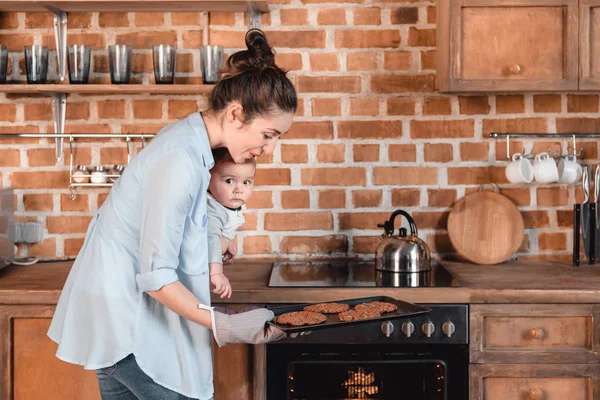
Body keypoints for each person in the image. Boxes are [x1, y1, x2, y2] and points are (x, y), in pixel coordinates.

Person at [47, 29, 297, 400]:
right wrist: (224, 325)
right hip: (126, 326)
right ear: (236, 113)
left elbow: (170, 229)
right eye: (268, 135)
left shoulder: (192, 142)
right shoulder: (180, 157)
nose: (270, 148)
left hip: (120, 320)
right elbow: (156, 276)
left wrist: (208, 245)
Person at [207, 148, 256, 299]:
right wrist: (217, 273)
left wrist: (226, 242)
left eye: (246, 182)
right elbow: (211, 238)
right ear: (207, 181)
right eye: (229, 181)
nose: (238, 190)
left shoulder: (223, 205)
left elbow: (218, 234)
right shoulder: (212, 209)